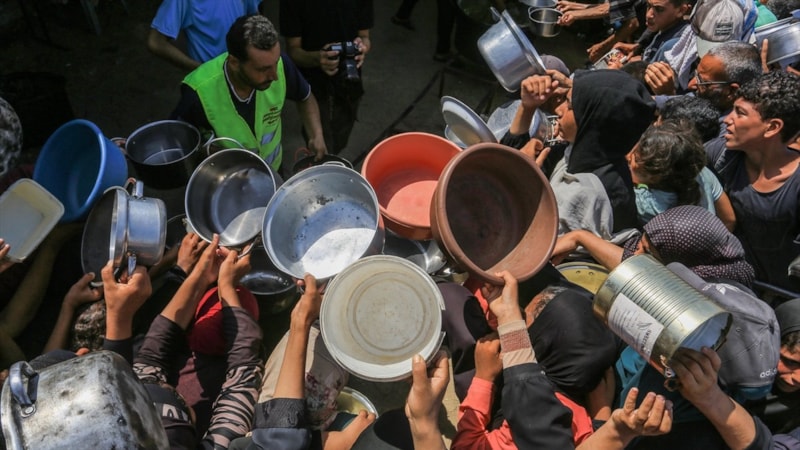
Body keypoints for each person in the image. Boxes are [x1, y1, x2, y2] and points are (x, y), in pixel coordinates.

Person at [171, 14, 327, 174]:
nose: (275, 76)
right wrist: (210, 153)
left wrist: (316, 134)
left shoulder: (280, 65)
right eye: (263, 69)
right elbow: (178, 143)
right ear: (234, 63)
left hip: (273, 173)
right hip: (228, 182)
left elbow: (305, 96)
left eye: (275, 63)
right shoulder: (198, 92)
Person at [531, 69, 655, 240]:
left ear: (593, 120)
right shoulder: (583, 153)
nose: (558, 110)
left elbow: (536, 240)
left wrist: (528, 184)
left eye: (570, 106)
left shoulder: (590, 195)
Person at [710, 71, 800, 295]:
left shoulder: (794, 186)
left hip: (784, 299)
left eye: (740, 113)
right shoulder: (721, 155)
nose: (726, 120)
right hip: (735, 288)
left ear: (772, 127)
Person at [279, 0, 373, 155]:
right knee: (320, 144)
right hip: (313, 83)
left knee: (341, 136)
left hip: (349, 77)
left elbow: (364, 36)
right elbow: (293, 50)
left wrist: (362, 47)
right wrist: (318, 58)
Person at [627, 119, 735, 228]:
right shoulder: (699, 173)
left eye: (635, 159)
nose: (628, 158)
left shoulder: (646, 205)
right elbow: (729, 219)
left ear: (654, 177)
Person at [147, 0, 262, 71]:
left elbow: (254, 18)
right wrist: (200, 69)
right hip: (211, 86)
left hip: (243, 76)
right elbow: (155, 42)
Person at [613, 0, 691, 64]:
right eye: (648, 6)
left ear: (681, 10)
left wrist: (621, 71)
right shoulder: (663, 28)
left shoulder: (674, 47)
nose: (648, 15)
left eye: (659, 9)